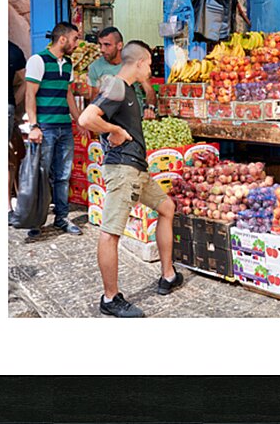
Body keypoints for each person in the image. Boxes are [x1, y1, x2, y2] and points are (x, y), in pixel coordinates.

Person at [78, 42, 183, 318]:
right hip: (123, 171)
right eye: (149, 64)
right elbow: (87, 118)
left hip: (137, 169)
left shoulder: (127, 89)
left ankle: (168, 275)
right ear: (140, 62)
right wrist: (114, 130)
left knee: (166, 208)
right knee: (110, 233)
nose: (150, 69)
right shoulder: (117, 87)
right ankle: (110, 298)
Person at [24, 22, 83, 237]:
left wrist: (79, 120)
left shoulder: (68, 63)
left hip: (64, 128)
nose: (77, 43)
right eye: (75, 39)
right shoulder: (38, 60)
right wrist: (34, 126)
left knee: (63, 175)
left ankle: (62, 218)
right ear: (63, 39)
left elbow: (68, 94)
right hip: (45, 128)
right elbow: (30, 95)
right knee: (42, 175)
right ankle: (37, 220)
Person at [88, 27, 156, 119]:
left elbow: (149, 91)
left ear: (119, 45)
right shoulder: (95, 67)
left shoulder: (131, 62)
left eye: (107, 45)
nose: (102, 49)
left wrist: (150, 108)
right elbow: (94, 99)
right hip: (112, 122)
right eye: (100, 45)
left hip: (135, 118)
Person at [8, 40, 27, 143]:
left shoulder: (13, 51)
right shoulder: (13, 50)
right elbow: (26, 81)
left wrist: (13, 103)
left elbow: (26, 81)